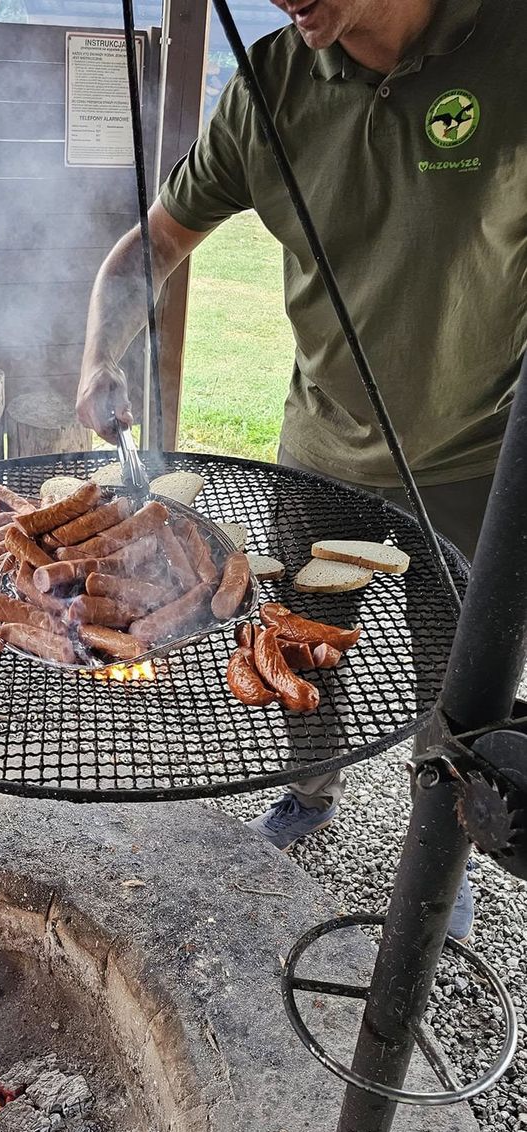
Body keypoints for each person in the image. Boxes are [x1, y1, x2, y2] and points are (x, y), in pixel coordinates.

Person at [75, 0, 526, 940]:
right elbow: (155, 242)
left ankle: (439, 846)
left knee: (459, 675)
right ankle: (310, 792)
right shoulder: (269, 85)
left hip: (475, 456)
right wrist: (96, 357)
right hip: (320, 451)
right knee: (297, 640)